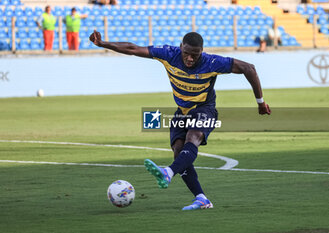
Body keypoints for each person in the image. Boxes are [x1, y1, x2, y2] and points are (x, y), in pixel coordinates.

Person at [89, 30, 271, 210]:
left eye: (195, 55)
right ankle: (201, 198)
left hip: (204, 109)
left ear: (202, 51)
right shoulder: (169, 54)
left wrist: (260, 102)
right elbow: (133, 48)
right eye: (187, 53)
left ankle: (167, 172)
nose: (190, 58)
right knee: (178, 151)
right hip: (181, 112)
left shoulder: (211, 62)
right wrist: (103, 43)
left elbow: (249, 68)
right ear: (180, 47)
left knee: (193, 137)